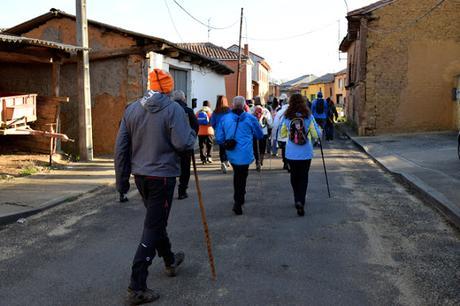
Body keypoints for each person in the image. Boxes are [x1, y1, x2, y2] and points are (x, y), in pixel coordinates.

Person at [115, 68, 196, 304]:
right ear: (168, 88)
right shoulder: (173, 109)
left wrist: (122, 182)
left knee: (155, 220)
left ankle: (170, 259)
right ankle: (136, 286)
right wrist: (191, 134)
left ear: (150, 87)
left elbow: (120, 149)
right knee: (153, 226)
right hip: (162, 176)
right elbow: (182, 143)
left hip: (141, 176)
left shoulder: (131, 109)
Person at [216, 96, 264, 215]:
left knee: (238, 175)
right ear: (244, 106)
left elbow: (219, 138)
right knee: (242, 175)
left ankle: (239, 198)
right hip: (245, 152)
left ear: (232, 105)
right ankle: (239, 199)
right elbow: (260, 135)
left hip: (232, 152)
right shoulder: (251, 118)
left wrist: (225, 142)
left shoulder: (225, 118)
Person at [280, 93, 321, 216]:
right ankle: (301, 200)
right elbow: (316, 134)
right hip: (305, 152)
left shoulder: (287, 117)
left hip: (291, 152)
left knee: (294, 176)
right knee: (304, 176)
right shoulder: (308, 116)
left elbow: (282, 134)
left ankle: (296, 198)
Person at [172, 90, 199, 199]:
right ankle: (182, 191)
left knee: (170, 167)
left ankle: (169, 189)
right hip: (185, 145)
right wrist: (191, 139)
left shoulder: (169, 110)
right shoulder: (188, 111)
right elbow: (195, 126)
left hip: (171, 145)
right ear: (183, 99)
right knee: (185, 168)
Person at [210, 95, 231, 173]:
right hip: (228, 131)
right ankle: (226, 160)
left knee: (221, 148)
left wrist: (216, 128)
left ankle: (223, 162)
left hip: (219, 132)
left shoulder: (215, 112)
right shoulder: (229, 110)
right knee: (228, 147)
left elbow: (212, 123)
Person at [252, 96, 273, 171]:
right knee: (262, 147)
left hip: (254, 132)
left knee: (255, 148)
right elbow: (270, 123)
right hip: (263, 132)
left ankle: (257, 161)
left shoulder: (251, 110)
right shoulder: (266, 111)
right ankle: (261, 161)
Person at [271, 93, 290, 171]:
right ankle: (289, 162)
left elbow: (275, 125)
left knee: (284, 149)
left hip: (282, 135)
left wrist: (274, 136)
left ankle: (285, 163)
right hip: (293, 135)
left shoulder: (280, 112)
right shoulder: (294, 111)